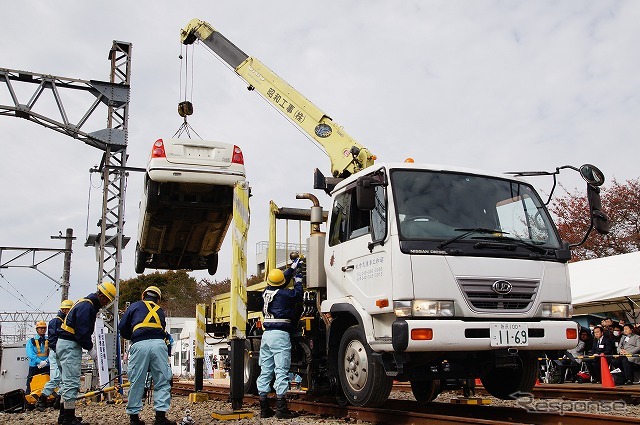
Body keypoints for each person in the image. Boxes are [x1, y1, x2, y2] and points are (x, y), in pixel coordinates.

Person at [57, 282, 116, 425]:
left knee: (65, 383)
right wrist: (92, 351)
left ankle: (64, 416)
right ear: (101, 295)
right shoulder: (87, 307)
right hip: (70, 346)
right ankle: (68, 419)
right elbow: (82, 333)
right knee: (71, 382)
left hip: (64, 344)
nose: (105, 304)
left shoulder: (85, 303)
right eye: (106, 300)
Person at [118, 285, 176, 425]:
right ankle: (160, 418)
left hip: (139, 344)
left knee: (137, 381)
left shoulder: (134, 306)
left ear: (143, 296)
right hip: (159, 344)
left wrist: (132, 336)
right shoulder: (160, 311)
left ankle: (134, 418)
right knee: (162, 380)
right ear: (158, 299)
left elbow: (122, 327)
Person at [256, 258, 303, 419]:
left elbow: (279, 280)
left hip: (266, 335)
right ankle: (281, 410)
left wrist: (291, 268)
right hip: (280, 335)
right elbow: (298, 295)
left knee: (266, 370)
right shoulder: (284, 294)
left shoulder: (266, 292)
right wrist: (298, 279)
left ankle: (264, 409)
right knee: (281, 370)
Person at [36, 299, 74, 412]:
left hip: (60, 352)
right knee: (57, 377)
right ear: (65, 310)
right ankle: (42, 399)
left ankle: (59, 402)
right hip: (57, 352)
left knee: (64, 379)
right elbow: (53, 341)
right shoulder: (57, 322)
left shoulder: (64, 320)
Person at [26, 320, 50, 393]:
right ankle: (29, 403)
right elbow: (30, 353)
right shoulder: (31, 341)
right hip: (34, 367)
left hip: (46, 366)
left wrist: (46, 361)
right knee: (30, 385)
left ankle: (46, 401)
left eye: (44, 328)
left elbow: (53, 352)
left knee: (48, 385)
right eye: (40, 328)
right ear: (37, 329)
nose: (43, 329)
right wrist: (40, 362)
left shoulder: (49, 340)